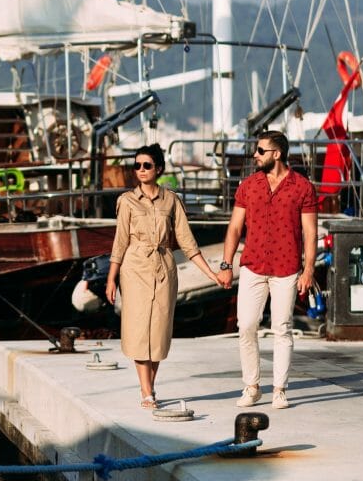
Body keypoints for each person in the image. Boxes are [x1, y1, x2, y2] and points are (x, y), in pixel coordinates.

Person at [105, 143, 219, 409]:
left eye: (147, 165)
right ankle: (146, 391)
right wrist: (112, 278)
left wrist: (211, 273)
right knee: (137, 329)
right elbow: (119, 242)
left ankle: (151, 387)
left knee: (158, 331)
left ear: (159, 168)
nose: (141, 170)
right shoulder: (127, 201)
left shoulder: (172, 200)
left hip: (164, 268)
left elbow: (188, 243)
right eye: (137, 166)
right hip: (134, 269)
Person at [216, 130, 317, 410]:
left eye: (260, 150)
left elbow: (310, 233)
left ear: (277, 154)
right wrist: (226, 265)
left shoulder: (302, 187)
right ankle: (251, 386)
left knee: (282, 328)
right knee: (246, 325)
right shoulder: (248, 186)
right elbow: (235, 227)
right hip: (253, 264)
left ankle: (279, 389)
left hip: (286, 267)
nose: (255, 155)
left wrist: (308, 269)